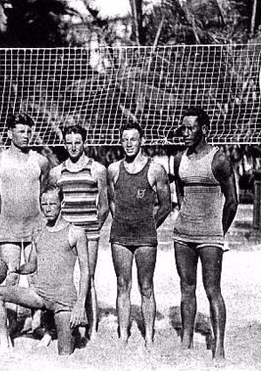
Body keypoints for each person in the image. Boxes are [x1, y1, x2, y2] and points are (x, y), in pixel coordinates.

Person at [0, 186, 89, 355]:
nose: (48, 208)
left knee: (65, 352)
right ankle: (4, 340)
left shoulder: (76, 232)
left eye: (52, 203)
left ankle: (69, 329)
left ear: (62, 204)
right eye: (44, 204)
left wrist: (80, 305)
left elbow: (86, 271)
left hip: (64, 300)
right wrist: (16, 269)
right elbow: (32, 265)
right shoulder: (38, 232)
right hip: (40, 295)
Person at [172, 107, 238, 361]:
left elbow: (232, 201)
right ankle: (186, 341)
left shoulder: (218, 159)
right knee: (186, 288)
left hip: (210, 235)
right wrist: (186, 216)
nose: (186, 133)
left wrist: (218, 231)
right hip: (183, 234)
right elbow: (180, 192)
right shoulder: (179, 159)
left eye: (191, 128)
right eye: (183, 128)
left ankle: (218, 347)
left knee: (212, 290)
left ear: (205, 130)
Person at [107, 122, 172, 347]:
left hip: (146, 237)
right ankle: (123, 335)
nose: (128, 144)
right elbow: (112, 200)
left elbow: (166, 205)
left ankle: (149, 338)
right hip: (120, 236)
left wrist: (149, 225)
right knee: (122, 285)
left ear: (141, 140)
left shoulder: (155, 169)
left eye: (133, 139)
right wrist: (122, 222)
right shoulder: (113, 169)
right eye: (124, 139)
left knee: (146, 286)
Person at [0, 113, 50, 331]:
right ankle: (12, 321)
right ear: (9, 133)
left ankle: (38, 322)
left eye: (29, 131)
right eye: (21, 131)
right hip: (9, 226)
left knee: (35, 276)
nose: (26, 136)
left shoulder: (40, 161)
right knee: (10, 276)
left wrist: (41, 216)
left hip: (35, 226)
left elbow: (45, 192)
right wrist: (5, 209)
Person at [49, 124, 109, 340]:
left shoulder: (97, 169)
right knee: (62, 278)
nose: (73, 147)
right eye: (69, 143)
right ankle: (58, 324)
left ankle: (91, 328)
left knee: (88, 278)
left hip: (89, 233)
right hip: (66, 234)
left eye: (78, 142)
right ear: (64, 144)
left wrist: (93, 229)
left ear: (84, 143)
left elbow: (103, 206)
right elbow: (52, 203)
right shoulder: (57, 172)